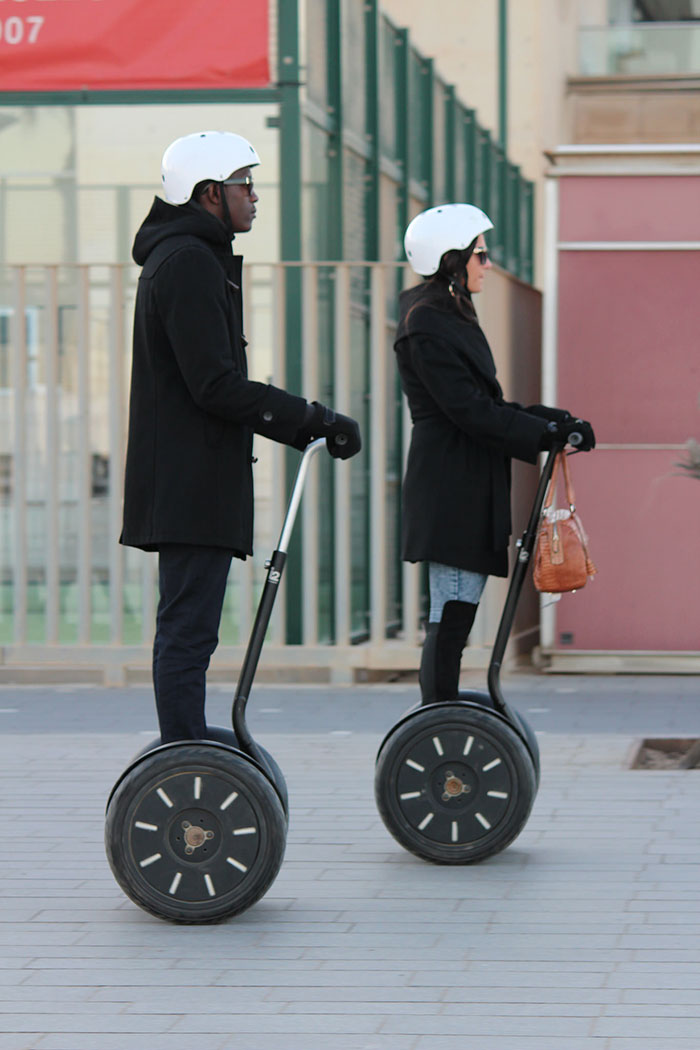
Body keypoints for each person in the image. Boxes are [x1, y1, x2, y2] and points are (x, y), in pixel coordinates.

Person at [120, 130, 361, 743]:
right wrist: (315, 418)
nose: (255, 196)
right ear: (209, 194)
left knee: (192, 626)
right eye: (244, 184)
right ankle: (181, 756)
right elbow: (216, 387)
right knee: (188, 628)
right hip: (189, 483)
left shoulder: (191, 259)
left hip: (192, 478)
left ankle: (186, 748)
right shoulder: (188, 264)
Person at [395, 203, 594, 703]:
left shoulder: (448, 314)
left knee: (455, 608)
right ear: (451, 259)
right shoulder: (428, 323)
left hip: (465, 480)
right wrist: (547, 434)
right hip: (451, 487)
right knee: (453, 608)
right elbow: (470, 412)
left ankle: (440, 710)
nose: (488, 264)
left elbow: (488, 405)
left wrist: (556, 421)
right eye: (481, 254)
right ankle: (437, 715)